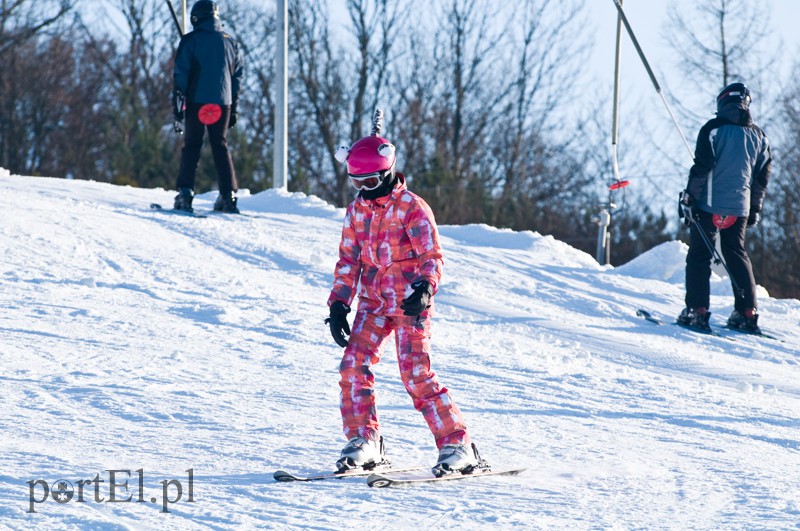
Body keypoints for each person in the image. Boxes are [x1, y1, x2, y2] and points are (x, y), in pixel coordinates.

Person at [325, 110, 479, 477]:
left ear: (387, 173)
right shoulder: (356, 213)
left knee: (416, 376)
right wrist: (338, 303)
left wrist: (425, 287)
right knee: (352, 366)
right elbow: (349, 260)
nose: (363, 191)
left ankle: (458, 444)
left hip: (410, 303)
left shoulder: (411, 208)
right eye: (356, 183)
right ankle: (365, 439)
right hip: (374, 304)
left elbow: (431, 255)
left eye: (369, 182)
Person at [678, 82, 772, 333]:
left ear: (723, 102)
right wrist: (755, 209)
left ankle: (697, 311)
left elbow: (702, 167)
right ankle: (747, 312)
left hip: (709, 204)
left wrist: (689, 197)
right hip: (739, 208)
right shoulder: (760, 137)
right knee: (736, 253)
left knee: (700, 255)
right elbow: (761, 178)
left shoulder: (712, 129)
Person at [172, 0, 243, 214]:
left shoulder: (190, 40)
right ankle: (228, 195)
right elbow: (237, 76)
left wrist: (177, 108)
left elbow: (180, 75)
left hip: (196, 101)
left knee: (192, 145)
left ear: (196, 17)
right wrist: (234, 106)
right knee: (220, 145)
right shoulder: (231, 42)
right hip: (223, 102)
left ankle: (185, 193)